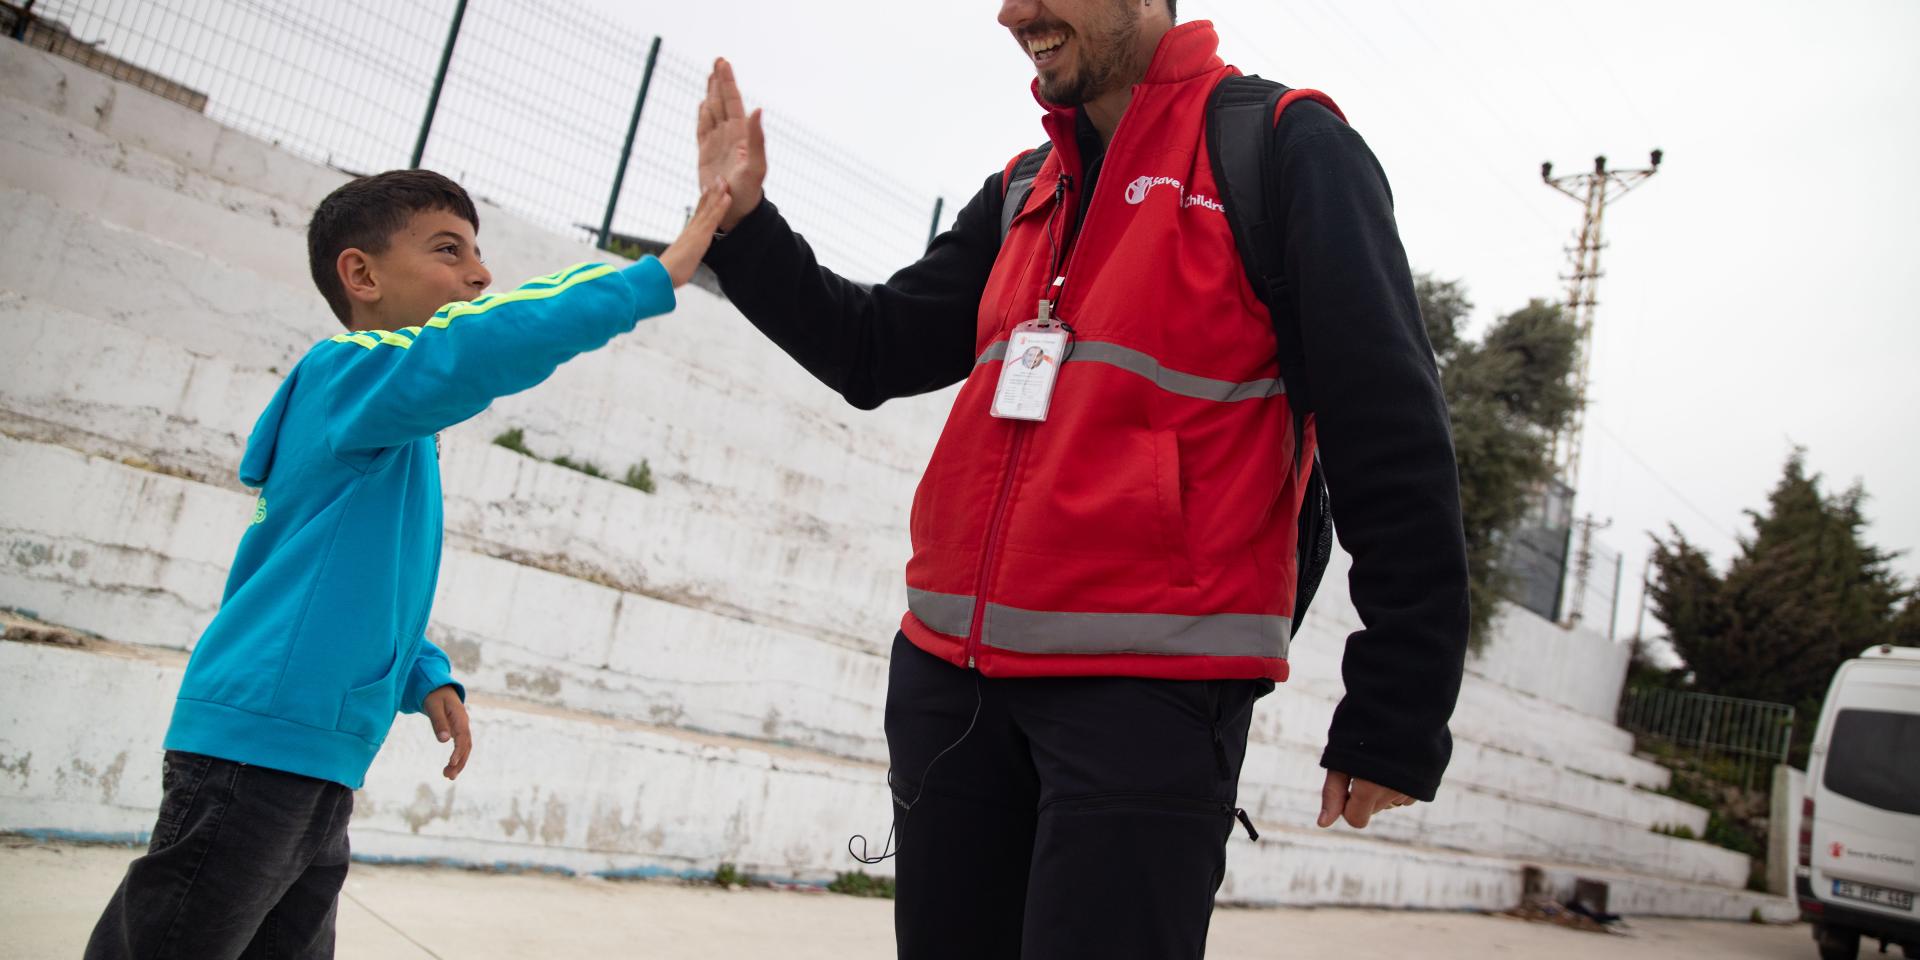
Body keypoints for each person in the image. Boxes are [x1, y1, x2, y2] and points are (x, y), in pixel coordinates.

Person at [698, 0, 1468, 955]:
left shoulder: (1286, 147)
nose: (1015, 12)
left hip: (1148, 700)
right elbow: (875, 348)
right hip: (951, 683)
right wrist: (747, 229)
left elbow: (1388, 428)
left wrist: (1397, 706)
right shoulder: (1027, 185)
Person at [84, 169, 731, 960]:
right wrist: (651, 276)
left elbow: (352, 578)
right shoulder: (349, 374)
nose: (481, 273)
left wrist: (423, 672)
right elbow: (476, 349)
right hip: (259, 750)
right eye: (448, 250)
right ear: (361, 275)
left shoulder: (386, 424)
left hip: (316, 757)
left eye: (478, 253)